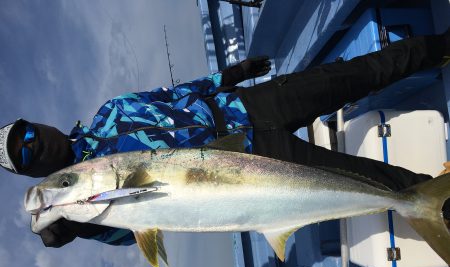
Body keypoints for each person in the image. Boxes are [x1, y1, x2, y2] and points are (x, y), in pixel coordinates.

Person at [1, 30, 449, 248]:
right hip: (262, 171)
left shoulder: (111, 110)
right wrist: (78, 226)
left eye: (25, 134)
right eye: (23, 156)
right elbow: (142, 228)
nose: (30, 143)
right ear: (33, 171)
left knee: (357, 73)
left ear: (39, 126)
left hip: (249, 106)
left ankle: (441, 45)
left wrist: (232, 74)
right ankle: (436, 201)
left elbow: (178, 94)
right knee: (392, 187)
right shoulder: (90, 210)